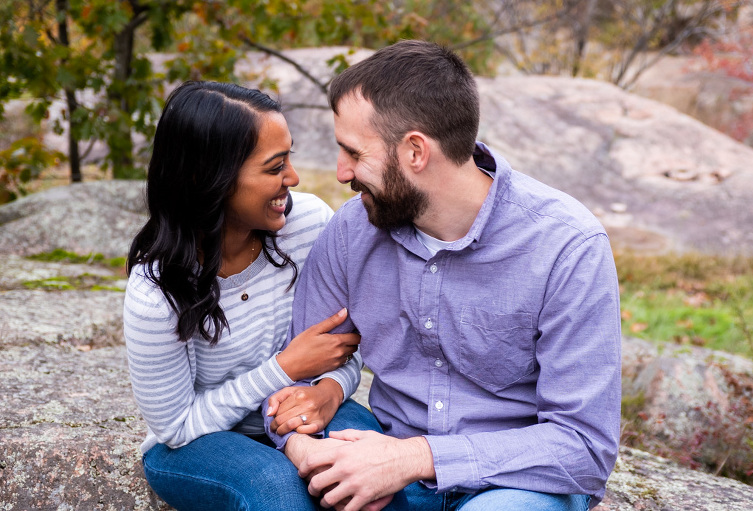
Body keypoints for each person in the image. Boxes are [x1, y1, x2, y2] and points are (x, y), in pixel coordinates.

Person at [264, 40, 622, 511]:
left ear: (416, 151)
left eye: (353, 152)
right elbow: (298, 379)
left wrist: (412, 458)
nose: (340, 172)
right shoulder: (352, 231)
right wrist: (303, 446)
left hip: (514, 483)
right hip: (381, 450)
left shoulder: (566, 247)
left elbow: (584, 447)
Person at [123, 80, 376, 511]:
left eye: (289, 158)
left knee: (374, 474)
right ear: (208, 178)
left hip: (306, 403)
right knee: (279, 493)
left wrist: (331, 389)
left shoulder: (311, 223)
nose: (292, 178)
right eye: (275, 166)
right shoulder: (156, 293)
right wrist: (285, 368)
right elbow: (176, 427)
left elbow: (344, 346)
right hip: (199, 442)